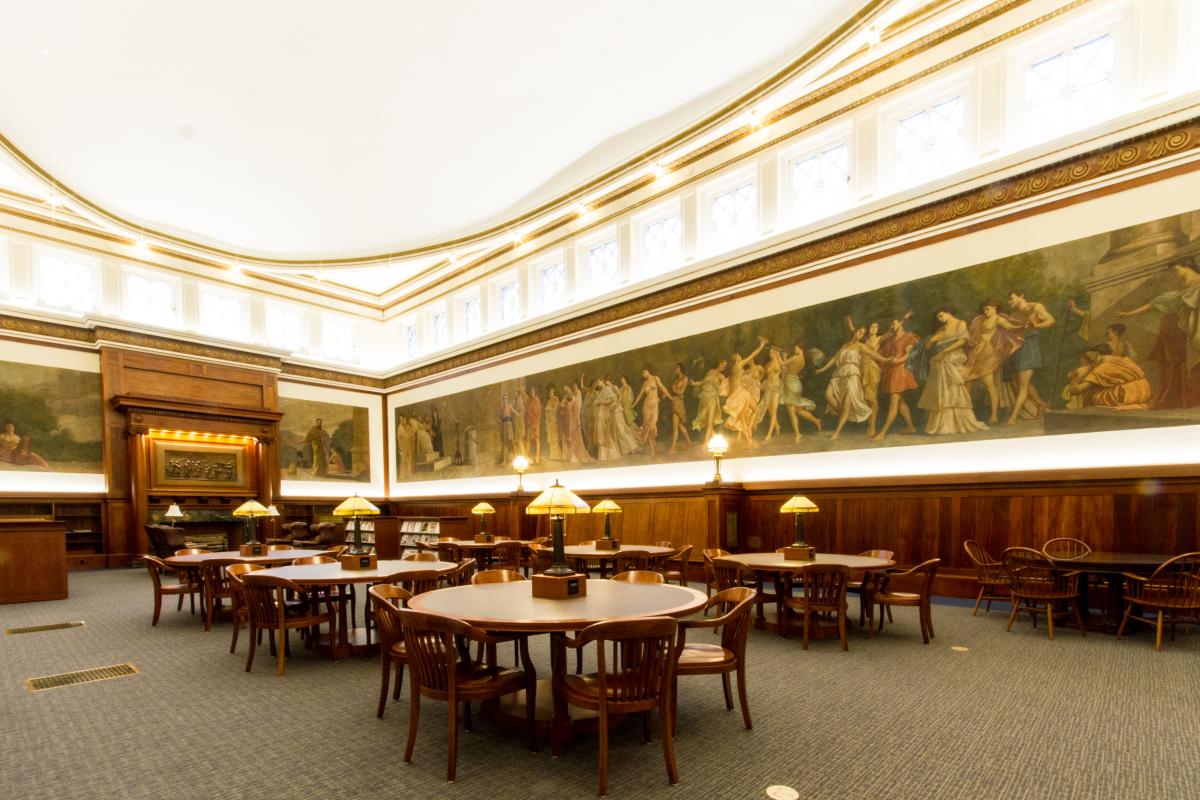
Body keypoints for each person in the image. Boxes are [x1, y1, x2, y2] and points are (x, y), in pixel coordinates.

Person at [1118, 258, 1200, 409]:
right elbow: (1154, 304)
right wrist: (1128, 314)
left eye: (1176, 270)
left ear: (1187, 267)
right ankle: (1178, 399)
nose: (1176, 274)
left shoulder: (1194, 287)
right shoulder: (1179, 291)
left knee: (1186, 363)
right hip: (1175, 332)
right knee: (1176, 365)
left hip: (1186, 330)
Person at [909, 308, 988, 435]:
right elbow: (928, 346)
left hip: (952, 356)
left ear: (948, 313)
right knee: (940, 389)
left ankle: (958, 423)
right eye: (938, 318)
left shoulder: (960, 323)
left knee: (951, 387)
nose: (939, 319)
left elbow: (963, 341)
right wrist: (933, 339)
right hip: (939, 359)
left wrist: (944, 352)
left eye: (941, 316)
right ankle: (940, 425)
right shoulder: (941, 329)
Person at [962, 300, 1022, 424]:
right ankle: (965, 415)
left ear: (995, 308)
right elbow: (973, 333)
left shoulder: (998, 319)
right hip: (976, 351)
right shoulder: (980, 320)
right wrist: (972, 340)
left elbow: (1010, 327)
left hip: (987, 352)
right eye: (984, 309)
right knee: (966, 381)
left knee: (989, 384)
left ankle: (994, 415)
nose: (986, 311)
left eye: (988, 308)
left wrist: (1023, 326)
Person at [1001, 290, 1055, 426]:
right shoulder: (1013, 315)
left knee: (1022, 385)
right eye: (1008, 300)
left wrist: (1036, 325)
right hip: (1016, 347)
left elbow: (1051, 321)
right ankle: (1041, 404)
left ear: (1021, 296)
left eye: (1011, 298)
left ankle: (1013, 418)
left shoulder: (1035, 307)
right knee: (1018, 382)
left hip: (1030, 345)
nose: (1009, 302)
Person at [816, 327, 879, 440]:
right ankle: (846, 413)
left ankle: (836, 433)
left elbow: (874, 355)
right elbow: (835, 359)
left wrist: (886, 360)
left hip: (852, 375)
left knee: (846, 405)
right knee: (828, 395)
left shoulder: (861, 346)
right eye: (859, 331)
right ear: (855, 331)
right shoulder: (845, 345)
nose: (860, 334)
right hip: (839, 374)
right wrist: (823, 369)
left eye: (863, 333)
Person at [873, 313, 921, 441]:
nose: (891, 326)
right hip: (891, 371)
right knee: (900, 401)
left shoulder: (909, 336)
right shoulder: (889, 339)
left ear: (901, 323)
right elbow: (882, 353)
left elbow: (910, 354)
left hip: (900, 371)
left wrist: (898, 361)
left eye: (893, 323)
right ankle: (910, 427)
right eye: (890, 324)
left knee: (894, 402)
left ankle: (882, 433)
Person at [1063, 345, 1152, 410]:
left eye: (1091, 362)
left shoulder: (1100, 369)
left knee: (1093, 396)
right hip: (1146, 391)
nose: (1090, 365)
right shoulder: (1123, 359)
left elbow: (1079, 389)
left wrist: (1073, 386)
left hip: (1128, 395)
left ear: (1097, 354)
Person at [723, 337, 768, 447]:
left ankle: (750, 431)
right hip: (740, 394)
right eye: (737, 355)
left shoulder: (736, 368)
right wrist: (761, 345)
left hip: (741, 393)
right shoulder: (739, 365)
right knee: (743, 420)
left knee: (754, 411)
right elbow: (753, 354)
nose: (739, 355)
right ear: (736, 359)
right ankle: (750, 441)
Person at [780, 345, 821, 442]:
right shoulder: (802, 360)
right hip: (796, 384)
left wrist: (779, 355)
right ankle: (816, 420)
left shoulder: (794, 357)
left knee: (791, 411)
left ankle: (797, 433)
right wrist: (785, 357)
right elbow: (788, 368)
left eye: (796, 348)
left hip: (790, 384)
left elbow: (782, 365)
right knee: (798, 409)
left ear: (801, 349)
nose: (794, 350)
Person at [633, 368, 673, 458]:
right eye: (642, 374)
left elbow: (662, 388)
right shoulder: (644, 383)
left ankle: (653, 442)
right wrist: (634, 404)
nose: (643, 375)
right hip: (646, 406)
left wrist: (670, 397)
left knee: (652, 426)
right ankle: (652, 451)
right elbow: (640, 394)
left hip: (654, 405)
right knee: (647, 427)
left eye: (644, 372)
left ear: (648, 370)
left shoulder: (655, 378)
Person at [691, 359, 728, 442]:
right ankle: (715, 439)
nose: (723, 367)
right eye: (722, 364)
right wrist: (695, 383)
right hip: (704, 398)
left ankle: (705, 444)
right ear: (718, 363)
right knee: (707, 421)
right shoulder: (711, 371)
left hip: (712, 399)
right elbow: (703, 382)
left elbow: (723, 390)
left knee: (710, 423)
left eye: (725, 366)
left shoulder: (722, 377)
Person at [667, 363, 693, 454]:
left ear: (681, 368)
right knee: (679, 425)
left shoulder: (685, 378)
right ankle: (689, 441)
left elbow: (681, 391)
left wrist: (674, 389)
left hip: (679, 404)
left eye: (677, 368)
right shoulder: (676, 380)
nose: (675, 369)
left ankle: (673, 447)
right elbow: (672, 391)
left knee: (675, 426)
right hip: (674, 403)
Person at [525, 386, 543, 464]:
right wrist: (528, 419)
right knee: (528, 440)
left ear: (535, 392)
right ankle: (527, 456)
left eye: (533, 390)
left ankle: (537, 457)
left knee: (536, 439)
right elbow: (527, 412)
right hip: (530, 423)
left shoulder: (537, 399)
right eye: (530, 390)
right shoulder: (528, 400)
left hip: (535, 422)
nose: (532, 392)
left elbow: (538, 411)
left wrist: (533, 414)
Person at [544, 387, 562, 461]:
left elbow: (557, 408)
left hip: (555, 420)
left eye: (552, 392)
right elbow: (546, 409)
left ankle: (557, 455)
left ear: (553, 392)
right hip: (550, 420)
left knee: (555, 437)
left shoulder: (556, 399)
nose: (550, 394)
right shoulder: (548, 400)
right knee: (551, 438)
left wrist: (551, 409)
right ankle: (552, 455)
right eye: (549, 393)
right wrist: (549, 411)